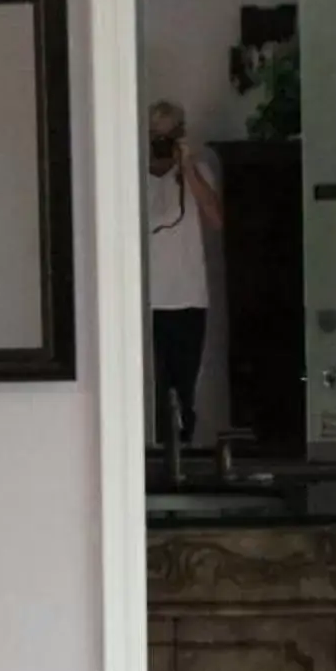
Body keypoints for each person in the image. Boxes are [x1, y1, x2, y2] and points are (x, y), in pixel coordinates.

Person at [145, 100, 223, 446]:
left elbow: (217, 219)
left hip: (189, 299)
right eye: (155, 135)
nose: (162, 142)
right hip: (148, 302)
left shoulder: (197, 171)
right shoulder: (131, 176)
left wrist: (187, 166)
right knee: (153, 387)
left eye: (169, 134)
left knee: (185, 388)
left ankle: (183, 453)